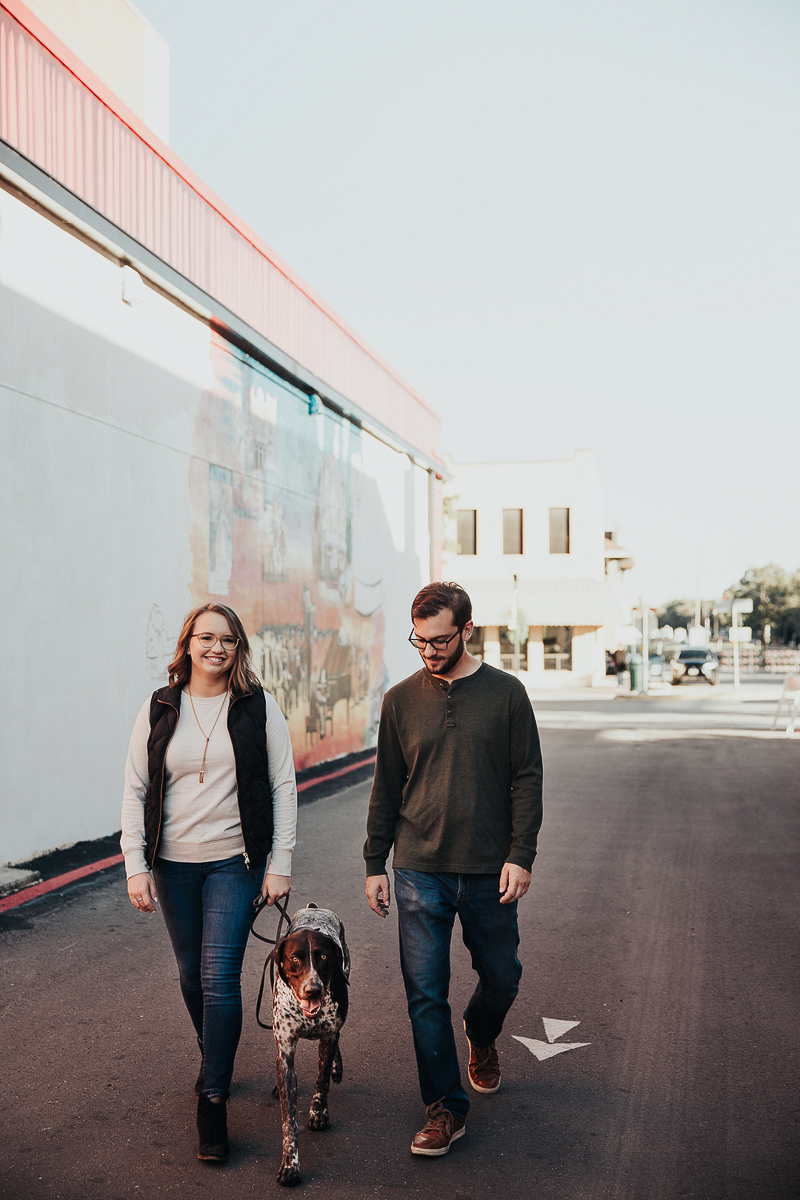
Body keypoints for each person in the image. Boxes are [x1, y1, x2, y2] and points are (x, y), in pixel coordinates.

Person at [364, 582, 543, 1157]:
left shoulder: (508, 694)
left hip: (491, 869)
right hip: (419, 867)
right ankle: (444, 1108)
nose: (428, 650)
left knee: (503, 974)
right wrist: (375, 861)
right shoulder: (399, 700)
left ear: (467, 630)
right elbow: (386, 787)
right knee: (424, 993)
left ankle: (482, 1032)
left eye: (440, 639)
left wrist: (521, 854)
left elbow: (527, 778)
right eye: (419, 638)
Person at [121, 603, 297, 1163]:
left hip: (234, 863)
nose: (215, 648)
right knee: (191, 975)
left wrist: (279, 862)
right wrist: (135, 864)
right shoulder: (160, 706)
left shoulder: (257, 707)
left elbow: (282, 786)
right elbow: (134, 788)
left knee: (220, 976)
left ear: (238, 647)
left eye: (226, 639)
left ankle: (213, 1098)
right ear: (188, 643)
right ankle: (212, 1052)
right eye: (206, 638)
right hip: (171, 864)